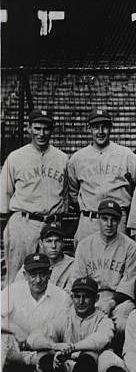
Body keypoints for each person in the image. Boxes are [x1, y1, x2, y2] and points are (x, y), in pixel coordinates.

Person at [27, 277, 114, 372]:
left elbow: (101, 339)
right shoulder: (65, 317)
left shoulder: (102, 319)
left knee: (90, 354)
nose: (81, 302)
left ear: (96, 298)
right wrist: (54, 346)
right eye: (77, 296)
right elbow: (33, 338)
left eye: (86, 297)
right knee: (43, 353)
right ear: (72, 297)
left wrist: (72, 349)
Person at [0, 109, 68, 284]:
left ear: (52, 130)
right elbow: (4, 195)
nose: (41, 133)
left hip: (51, 224)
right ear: (29, 128)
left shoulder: (62, 158)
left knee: (49, 276)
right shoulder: (15, 157)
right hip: (23, 222)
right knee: (15, 277)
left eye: (46, 129)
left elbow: (66, 195)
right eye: (37, 128)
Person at [68, 109, 136, 248]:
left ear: (111, 128)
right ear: (89, 128)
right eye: (96, 127)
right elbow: (73, 192)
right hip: (89, 219)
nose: (100, 131)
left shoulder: (126, 155)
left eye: (104, 126)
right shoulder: (78, 158)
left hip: (117, 219)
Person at [73, 199, 136, 336]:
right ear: (98, 219)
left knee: (123, 324)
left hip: (119, 300)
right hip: (90, 297)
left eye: (114, 219)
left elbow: (128, 283)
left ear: (120, 221)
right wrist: (92, 303)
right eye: (105, 219)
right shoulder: (85, 245)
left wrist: (110, 304)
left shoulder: (130, 246)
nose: (109, 224)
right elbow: (78, 280)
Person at [1, 254, 68, 372]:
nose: (38, 280)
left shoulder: (62, 297)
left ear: (50, 273)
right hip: (15, 349)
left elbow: (62, 332)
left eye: (42, 274)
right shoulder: (13, 291)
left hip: (44, 351)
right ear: (25, 275)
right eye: (33, 275)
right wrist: (15, 330)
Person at [14, 222, 74, 292]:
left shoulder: (72, 265)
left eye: (57, 241)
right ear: (41, 244)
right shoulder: (31, 263)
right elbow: (17, 290)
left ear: (63, 243)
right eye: (49, 241)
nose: (53, 246)